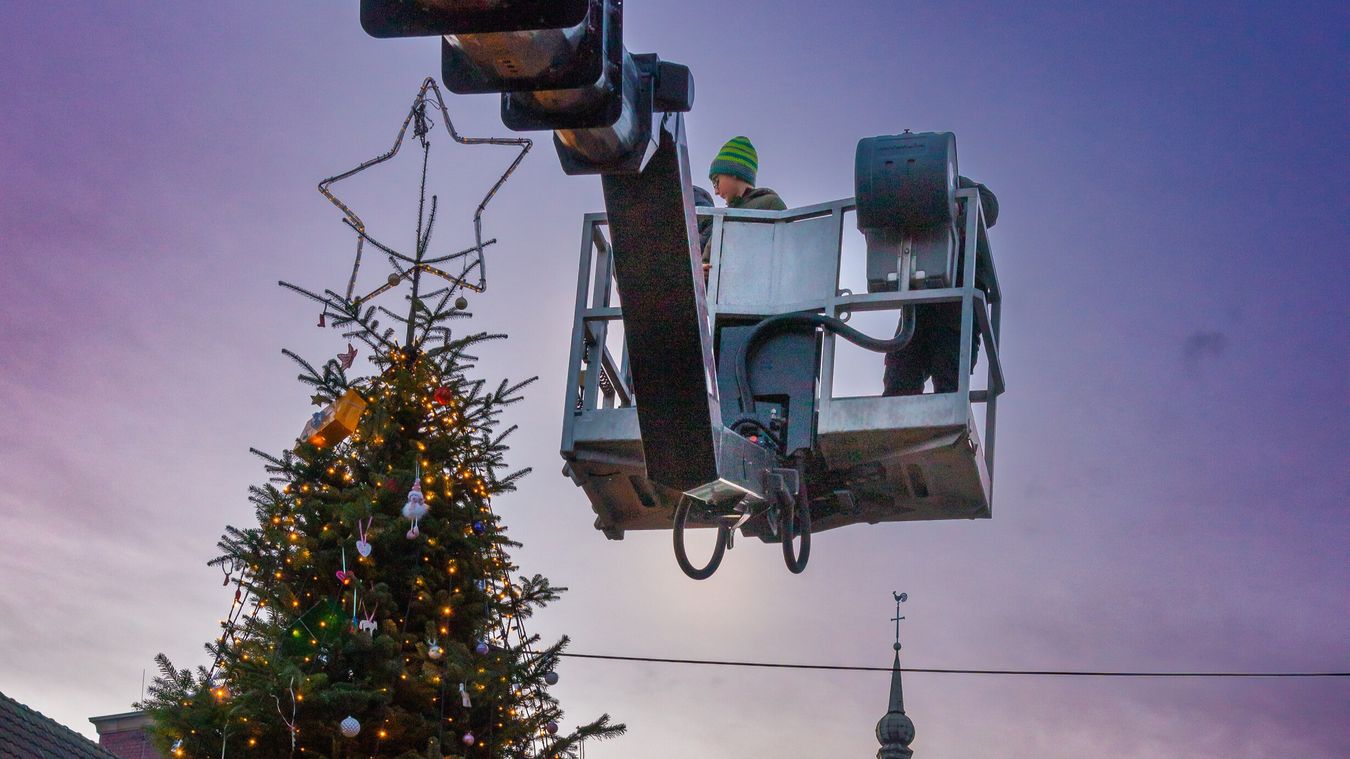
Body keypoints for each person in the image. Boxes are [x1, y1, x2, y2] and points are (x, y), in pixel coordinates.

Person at [882, 176, 999, 396]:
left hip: (959, 294)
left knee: (949, 377)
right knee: (899, 374)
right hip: (919, 297)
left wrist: (959, 207)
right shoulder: (902, 189)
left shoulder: (950, 178)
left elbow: (990, 205)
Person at [700, 136, 786, 275]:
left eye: (716, 181)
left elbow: (784, 254)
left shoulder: (770, 204)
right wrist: (702, 271)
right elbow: (707, 260)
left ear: (733, 172)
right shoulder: (723, 218)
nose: (716, 191)